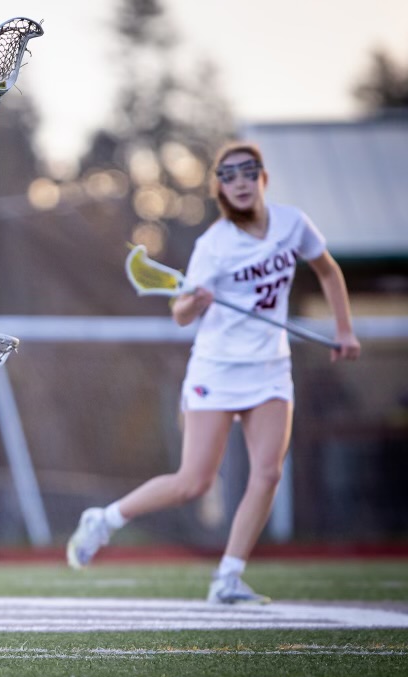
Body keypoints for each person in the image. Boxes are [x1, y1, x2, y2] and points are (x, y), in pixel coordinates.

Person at [66, 141, 360, 605]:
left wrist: (344, 329)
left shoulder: (293, 225)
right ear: (219, 188)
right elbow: (180, 315)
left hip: (269, 369)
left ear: (263, 177)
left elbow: (327, 271)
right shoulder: (213, 246)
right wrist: (194, 302)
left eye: (248, 171)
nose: (240, 181)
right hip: (217, 370)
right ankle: (105, 520)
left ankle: (228, 576)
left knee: (267, 473)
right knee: (194, 482)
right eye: (229, 174)